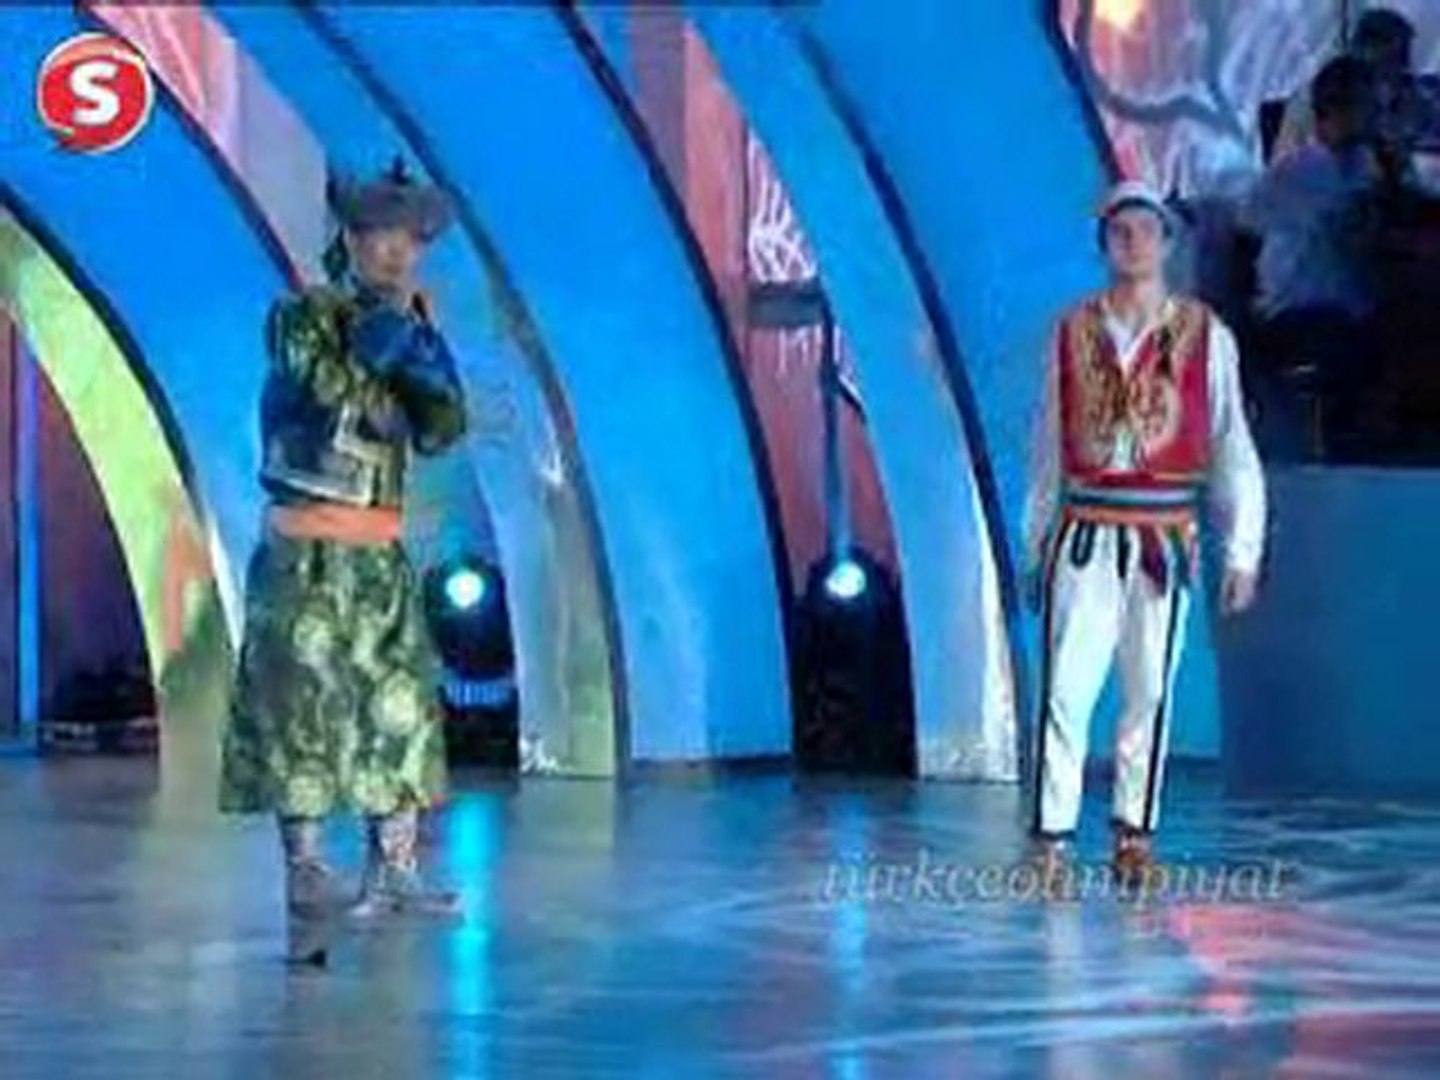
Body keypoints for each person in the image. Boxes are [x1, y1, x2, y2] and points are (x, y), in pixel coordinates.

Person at [218, 158, 469, 965]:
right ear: (352, 240)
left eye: (410, 240)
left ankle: (394, 869)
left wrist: (422, 363)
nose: (396, 253)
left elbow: (442, 430)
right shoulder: (301, 316)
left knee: (396, 706)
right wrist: (384, 358)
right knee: (302, 705)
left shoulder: (414, 324)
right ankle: (307, 870)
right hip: (306, 551)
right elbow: (330, 391)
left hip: (378, 550)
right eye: (380, 236)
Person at [1024, 180, 1267, 885]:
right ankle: (1052, 841)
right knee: (1066, 688)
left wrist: (1243, 549)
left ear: (1166, 241)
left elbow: (1231, 444)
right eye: (1120, 233)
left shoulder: (1205, 336)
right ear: (1104, 245)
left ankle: (1134, 835)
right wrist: (1034, 543)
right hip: (1088, 530)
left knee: (1149, 690)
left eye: (1145, 231)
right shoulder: (1071, 333)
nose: (1133, 244)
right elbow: (1048, 447)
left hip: (1163, 536)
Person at [1244, 56, 1384, 456]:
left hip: (1351, 308)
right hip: (1304, 312)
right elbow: (1246, 231)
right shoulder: (1295, 174)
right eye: (1366, 106)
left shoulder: (1368, 168)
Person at [1272, 7, 1417, 166]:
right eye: (1395, 59)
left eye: (1403, 59)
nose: (1403, 68)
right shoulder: (1321, 97)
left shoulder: (1404, 98)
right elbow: (1285, 165)